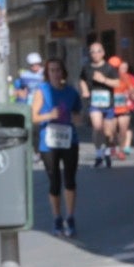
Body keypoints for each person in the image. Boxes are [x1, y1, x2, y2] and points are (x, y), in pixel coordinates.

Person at [29, 55, 83, 237]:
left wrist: (75, 119)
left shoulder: (71, 92)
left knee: (70, 180)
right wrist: (49, 115)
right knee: (54, 182)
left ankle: (71, 217)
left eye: (58, 70)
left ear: (63, 72)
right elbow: (33, 117)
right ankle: (57, 217)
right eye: (51, 70)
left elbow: (78, 116)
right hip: (48, 142)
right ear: (47, 73)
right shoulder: (41, 91)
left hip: (69, 140)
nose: (55, 73)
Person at [79, 41, 120, 170]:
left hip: (108, 103)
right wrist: (85, 90)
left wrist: (104, 80)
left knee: (108, 133)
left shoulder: (109, 68)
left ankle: (107, 152)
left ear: (103, 53)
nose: (95, 54)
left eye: (98, 51)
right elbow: (82, 79)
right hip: (94, 102)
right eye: (92, 51)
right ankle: (98, 155)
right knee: (97, 127)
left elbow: (117, 84)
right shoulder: (86, 68)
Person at [112, 58, 134, 160]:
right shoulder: (114, 77)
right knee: (115, 129)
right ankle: (116, 146)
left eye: (126, 68)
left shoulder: (130, 78)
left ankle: (126, 147)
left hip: (128, 106)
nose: (124, 69)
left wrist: (131, 93)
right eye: (122, 68)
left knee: (126, 128)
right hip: (115, 107)